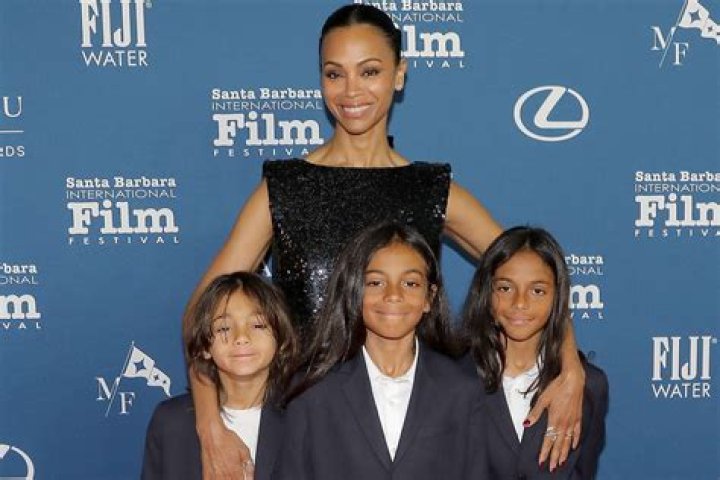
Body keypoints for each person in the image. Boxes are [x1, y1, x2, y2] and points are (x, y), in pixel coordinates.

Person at [186, 4, 584, 478]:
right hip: (306, 428)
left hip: (415, 441)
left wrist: (571, 366)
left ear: (399, 74)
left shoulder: (431, 189)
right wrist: (209, 423)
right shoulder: (283, 189)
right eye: (335, 74)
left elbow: (531, 274)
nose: (351, 91)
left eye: (369, 71)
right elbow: (200, 316)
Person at [275, 222, 486, 480]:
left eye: (410, 283)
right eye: (375, 282)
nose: (393, 295)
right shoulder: (312, 392)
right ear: (354, 291)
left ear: (429, 297)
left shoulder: (462, 390)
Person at [462, 227, 608, 478]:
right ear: (487, 293)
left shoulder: (590, 385)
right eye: (505, 288)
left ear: (557, 298)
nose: (520, 302)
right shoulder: (452, 378)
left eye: (537, 291)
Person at [142, 272, 298, 480]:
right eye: (224, 328)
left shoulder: (303, 417)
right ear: (204, 346)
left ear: (280, 338)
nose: (241, 337)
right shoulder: (171, 422)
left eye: (257, 325)